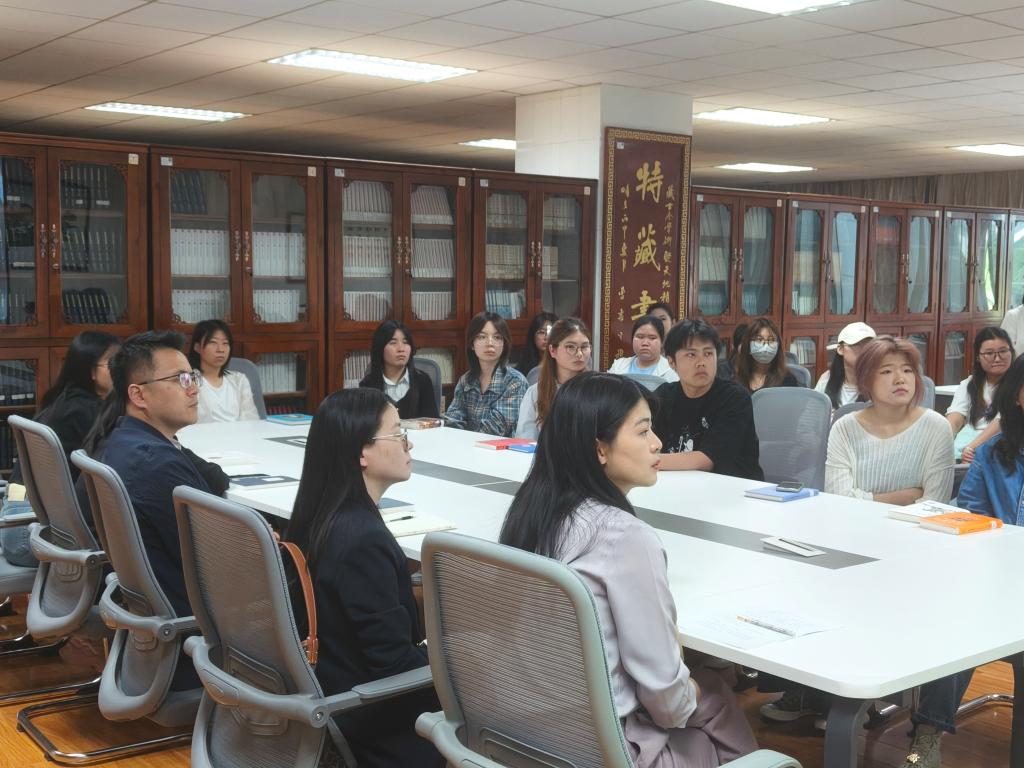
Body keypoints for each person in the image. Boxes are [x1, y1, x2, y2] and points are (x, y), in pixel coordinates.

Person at [500, 372, 758, 767]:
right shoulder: (625, 538)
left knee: (709, 691)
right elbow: (668, 705)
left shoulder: (531, 513)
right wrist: (694, 688)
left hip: (534, 734)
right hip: (608, 750)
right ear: (600, 449)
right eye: (642, 431)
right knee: (713, 694)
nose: (657, 443)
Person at [284, 388, 442, 768]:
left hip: (337, 691)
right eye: (398, 433)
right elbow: (394, 666)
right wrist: (463, 674)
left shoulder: (322, 515)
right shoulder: (361, 541)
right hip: (377, 724)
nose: (408, 444)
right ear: (362, 453)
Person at [891, 356, 1024, 768]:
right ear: (1016, 395)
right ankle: (928, 733)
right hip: (998, 576)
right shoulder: (994, 453)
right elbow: (970, 519)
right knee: (956, 620)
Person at [100, 331, 218, 690]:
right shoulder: (158, 465)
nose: (193, 389)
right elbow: (215, 565)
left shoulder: (126, 439)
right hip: (195, 637)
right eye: (180, 379)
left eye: (192, 377)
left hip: (157, 631)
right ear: (139, 395)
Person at [2, 331, 119, 572]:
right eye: (113, 363)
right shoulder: (85, 411)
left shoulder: (63, 399)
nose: (122, 369)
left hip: (18, 523)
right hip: (31, 537)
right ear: (91, 370)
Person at [825, 336, 954, 505]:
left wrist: (863, 499)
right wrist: (906, 498)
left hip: (917, 524)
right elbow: (837, 500)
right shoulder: (844, 428)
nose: (900, 379)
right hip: (853, 521)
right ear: (866, 380)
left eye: (907, 370)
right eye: (887, 371)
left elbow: (935, 505)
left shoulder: (937, 427)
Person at [653, 319, 763, 480]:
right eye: (691, 354)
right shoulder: (663, 396)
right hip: (676, 484)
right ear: (671, 362)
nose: (701, 362)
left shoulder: (734, 398)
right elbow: (644, 442)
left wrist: (648, 461)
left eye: (708, 353)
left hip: (733, 487)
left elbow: (707, 460)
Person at [444, 311, 527, 436]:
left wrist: (463, 441)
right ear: (472, 344)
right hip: (466, 446)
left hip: (502, 448)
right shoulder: (466, 380)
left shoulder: (515, 381)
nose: (490, 343)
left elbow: (496, 429)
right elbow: (452, 420)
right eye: (482, 337)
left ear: (504, 344)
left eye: (497, 337)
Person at [515, 317, 591, 439]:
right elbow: (525, 440)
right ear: (552, 350)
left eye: (584, 347)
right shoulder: (536, 392)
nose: (579, 354)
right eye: (570, 347)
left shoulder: (597, 390)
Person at [946, 327, 1013, 461]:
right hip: (965, 448)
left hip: (1000, 447)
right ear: (978, 357)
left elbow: (1002, 421)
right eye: (989, 353)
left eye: (1003, 351)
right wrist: (942, 442)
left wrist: (972, 448)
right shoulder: (970, 384)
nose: (997, 358)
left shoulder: (1018, 384)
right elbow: (956, 416)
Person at [359, 319, 438, 419]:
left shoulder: (422, 381)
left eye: (405, 342)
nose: (401, 349)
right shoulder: (368, 385)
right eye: (393, 343)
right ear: (380, 348)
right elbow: (365, 424)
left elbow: (432, 422)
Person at [188, 319, 259, 423]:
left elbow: (251, 420)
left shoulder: (239, 380)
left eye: (225, 343)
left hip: (239, 433)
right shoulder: (188, 381)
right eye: (213, 342)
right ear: (197, 347)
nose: (220, 349)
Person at [815, 321, 876, 409]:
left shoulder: (879, 382)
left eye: (869, 346)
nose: (865, 351)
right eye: (857, 345)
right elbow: (811, 414)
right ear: (840, 349)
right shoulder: (827, 378)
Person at [732, 318, 798, 392]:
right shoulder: (737, 380)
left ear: (778, 346)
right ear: (748, 345)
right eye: (759, 340)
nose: (766, 346)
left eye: (771, 340)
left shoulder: (788, 380)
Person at [607, 315, 679, 383]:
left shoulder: (672, 370)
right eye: (640, 337)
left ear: (662, 342)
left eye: (652, 338)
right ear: (632, 339)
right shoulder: (618, 366)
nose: (645, 343)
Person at [515, 311, 558, 377]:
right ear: (533, 336)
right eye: (542, 332)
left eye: (551, 333)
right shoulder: (524, 365)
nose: (546, 337)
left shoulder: (563, 365)